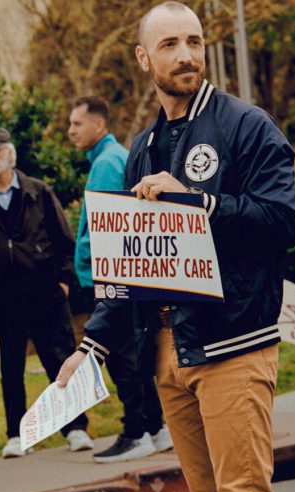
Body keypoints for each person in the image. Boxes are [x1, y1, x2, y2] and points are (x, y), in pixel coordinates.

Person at [56, 2, 295, 492]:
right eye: (169, 45)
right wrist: (91, 349)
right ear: (144, 59)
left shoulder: (246, 125)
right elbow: (129, 267)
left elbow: (284, 221)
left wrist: (195, 202)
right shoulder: (142, 148)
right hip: (168, 352)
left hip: (233, 342)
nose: (186, 55)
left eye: (193, 42)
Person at [0, 127, 93, 458]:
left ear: (9, 154)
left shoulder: (38, 192)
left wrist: (63, 281)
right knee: (11, 370)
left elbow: (64, 241)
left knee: (60, 361)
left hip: (45, 293)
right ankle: (16, 435)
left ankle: (75, 428)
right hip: (4, 298)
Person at [67, 95, 172, 463]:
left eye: (77, 124)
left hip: (111, 278)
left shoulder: (108, 162)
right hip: (110, 276)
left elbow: (114, 225)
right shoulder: (106, 159)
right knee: (129, 352)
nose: (71, 131)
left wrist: (105, 276)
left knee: (120, 356)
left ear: (99, 125)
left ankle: (137, 432)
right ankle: (156, 430)